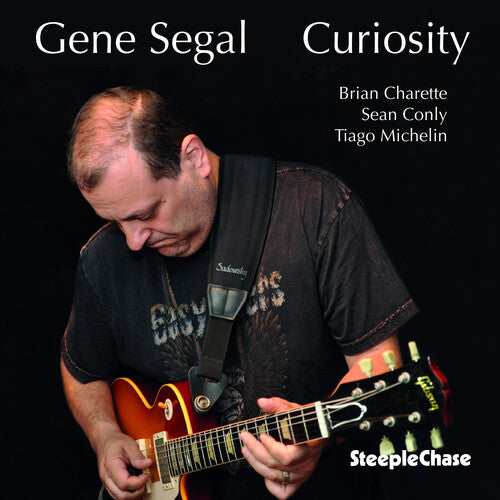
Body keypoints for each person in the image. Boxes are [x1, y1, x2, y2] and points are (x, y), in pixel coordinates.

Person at [61, 86, 418, 500]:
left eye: (146, 213)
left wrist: (317, 440)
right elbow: (80, 369)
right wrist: (105, 435)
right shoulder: (103, 259)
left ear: (193, 158)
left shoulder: (314, 209)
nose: (133, 240)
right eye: (116, 222)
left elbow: (380, 362)